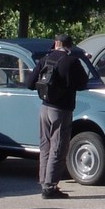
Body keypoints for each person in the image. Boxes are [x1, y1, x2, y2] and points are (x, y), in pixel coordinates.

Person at [27, 33, 88, 199]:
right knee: (58, 148)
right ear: (70, 46)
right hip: (62, 109)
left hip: (44, 108)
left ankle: (43, 181)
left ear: (56, 43)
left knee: (45, 146)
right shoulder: (72, 61)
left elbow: (29, 83)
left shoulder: (45, 59)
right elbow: (83, 83)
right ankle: (50, 187)